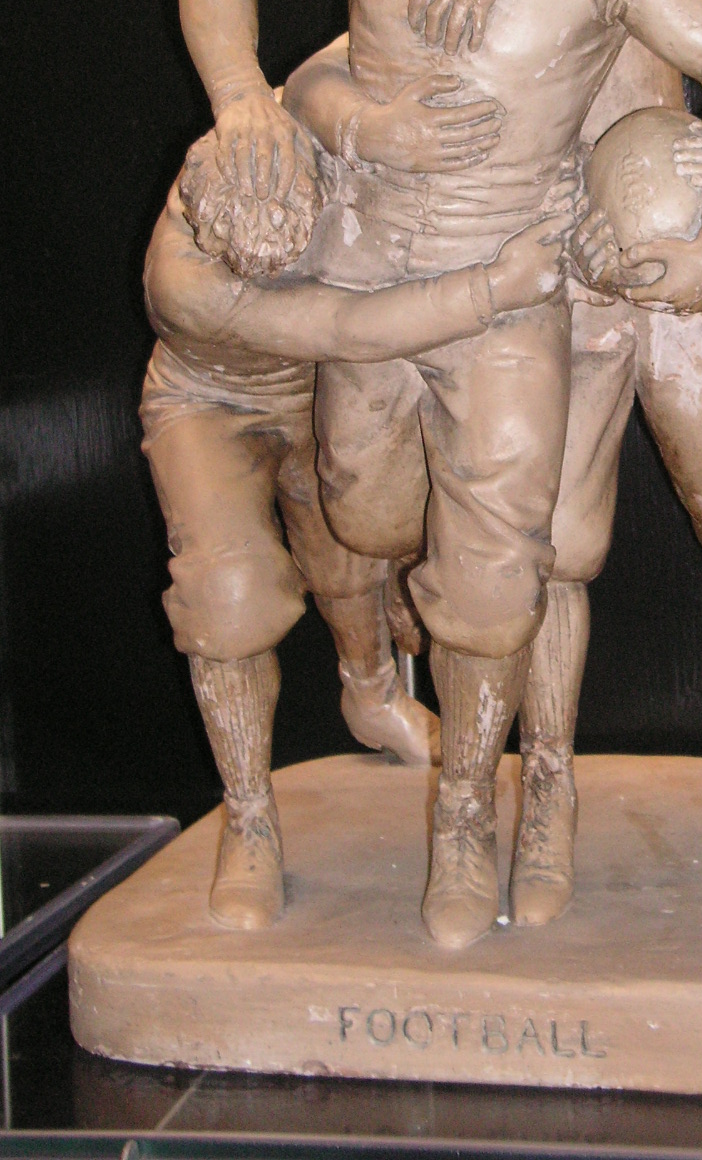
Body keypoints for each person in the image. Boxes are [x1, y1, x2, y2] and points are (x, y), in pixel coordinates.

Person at [177, 0, 702, 948]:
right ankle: (398, 694)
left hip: (517, 294)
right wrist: (245, 100)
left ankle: (470, 811)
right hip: (372, 280)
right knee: (365, 513)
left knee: (498, 578)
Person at [143, 127, 571, 929]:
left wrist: (396, 116)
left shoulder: (302, 124)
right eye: (254, 260)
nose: (272, 263)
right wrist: (493, 287)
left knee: (349, 558)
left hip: (329, 381)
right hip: (212, 400)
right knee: (228, 594)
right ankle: (248, 815)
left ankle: (371, 693)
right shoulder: (185, 279)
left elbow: (354, 88)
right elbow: (346, 324)